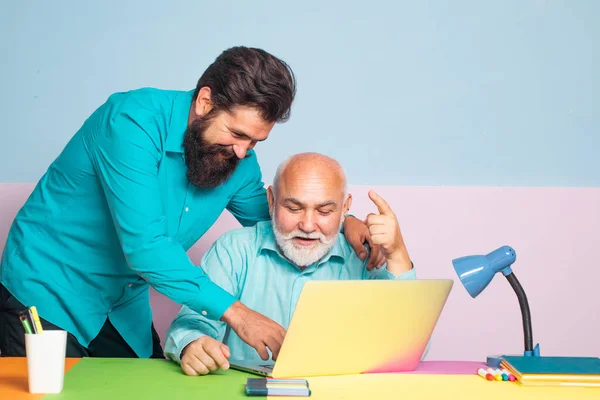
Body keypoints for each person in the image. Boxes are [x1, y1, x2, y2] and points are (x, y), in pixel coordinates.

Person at [0, 47, 380, 358]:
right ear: (204, 102)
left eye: (255, 142)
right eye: (237, 133)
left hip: (120, 308)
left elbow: (279, 221)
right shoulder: (130, 123)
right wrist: (239, 314)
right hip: (46, 294)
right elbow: (146, 247)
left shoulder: (240, 159)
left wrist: (344, 222)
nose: (243, 151)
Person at [164, 152, 416, 376]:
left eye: (325, 212)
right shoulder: (234, 250)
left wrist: (398, 254)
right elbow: (192, 324)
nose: (307, 226)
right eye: (293, 208)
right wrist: (192, 344)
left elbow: (408, 349)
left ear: (345, 208)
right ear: (271, 201)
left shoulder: (367, 255)